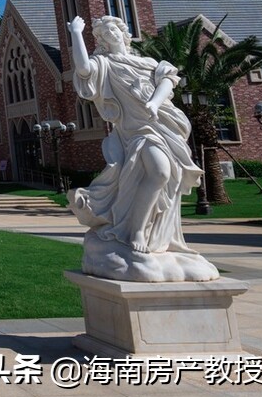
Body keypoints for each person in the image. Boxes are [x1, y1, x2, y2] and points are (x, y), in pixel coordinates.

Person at [66, 15, 216, 281]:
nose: (108, 33)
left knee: (168, 177)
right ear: (99, 41)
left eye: (113, 28)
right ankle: (135, 231)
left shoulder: (148, 63)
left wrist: (155, 103)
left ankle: (152, 234)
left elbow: (168, 80)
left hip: (162, 125)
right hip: (135, 132)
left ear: (124, 33)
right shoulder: (105, 64)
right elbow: (83, 71)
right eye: (102, 33)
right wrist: (76, 33)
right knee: (159, 172)